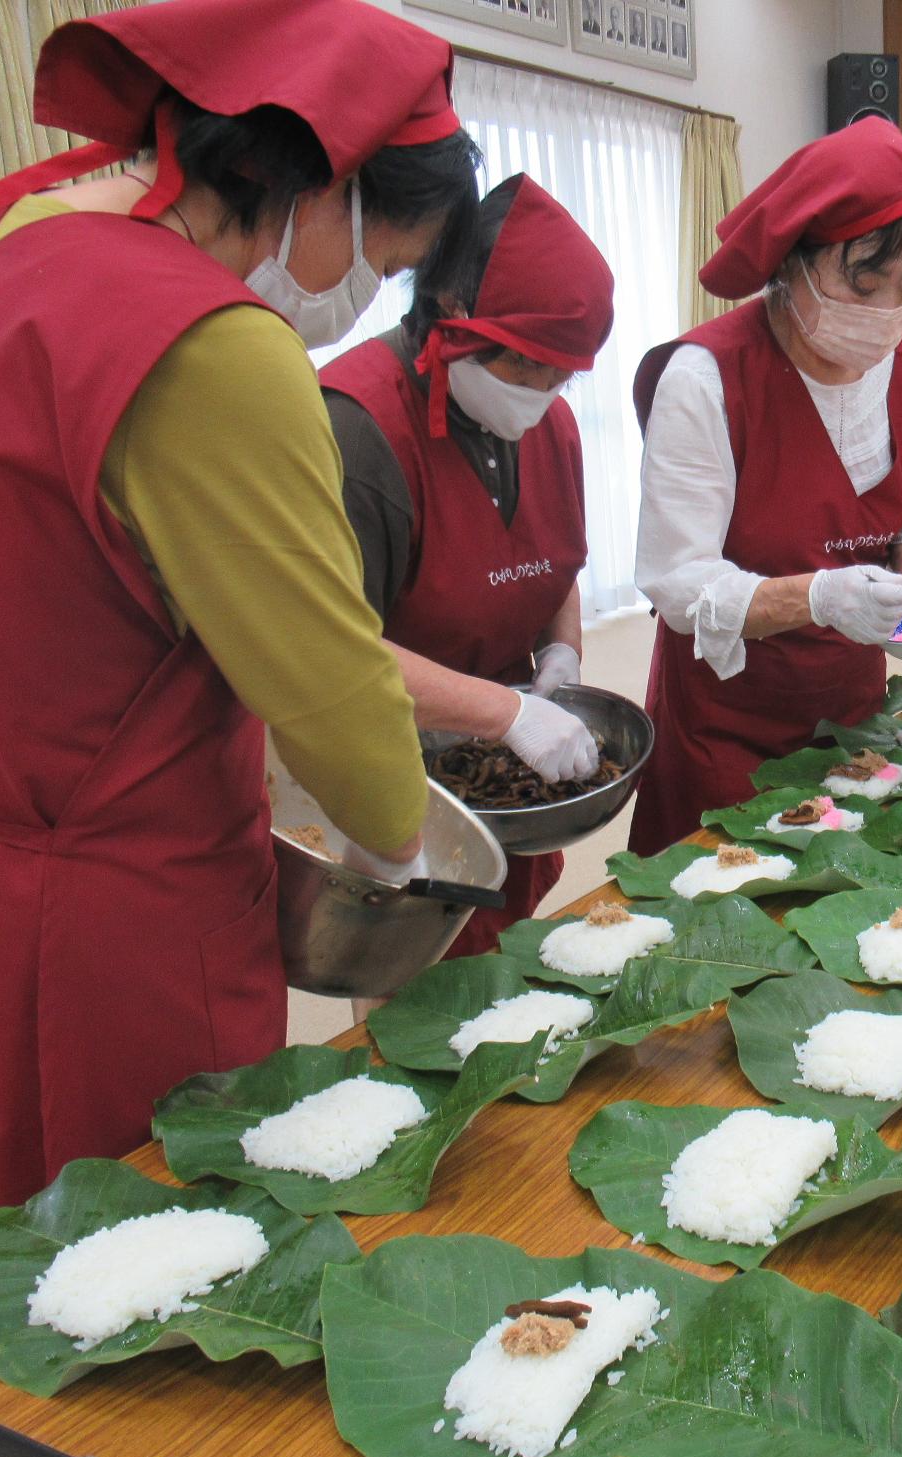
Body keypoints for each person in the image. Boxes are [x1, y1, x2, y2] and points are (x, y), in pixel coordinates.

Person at [0, 0, 480, 1264]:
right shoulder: (211, 344)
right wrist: (402, 859)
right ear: (321, 183)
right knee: (143, 1289)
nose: (368, 298)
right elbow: (330, 684)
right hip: (116, 928)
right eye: (383, 256)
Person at [627, 116, 902, 856]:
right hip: (724, 732)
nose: (884, 311)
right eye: (862, 282)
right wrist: (820, 598)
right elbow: (678, 585)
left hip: (852, 724)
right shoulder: (708, 377)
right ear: (791, 265)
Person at [321, 176, 613, 959]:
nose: (546, 394)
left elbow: (546, 555)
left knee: (515, 972)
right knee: (422, 995)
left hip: (510, 784)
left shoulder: (545, 421)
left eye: (565, 375)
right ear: (454, 312)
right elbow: (330, 651)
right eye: (527, 368)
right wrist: (508, 715)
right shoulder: (358, 429)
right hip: (401, 790)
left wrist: (564, 652)